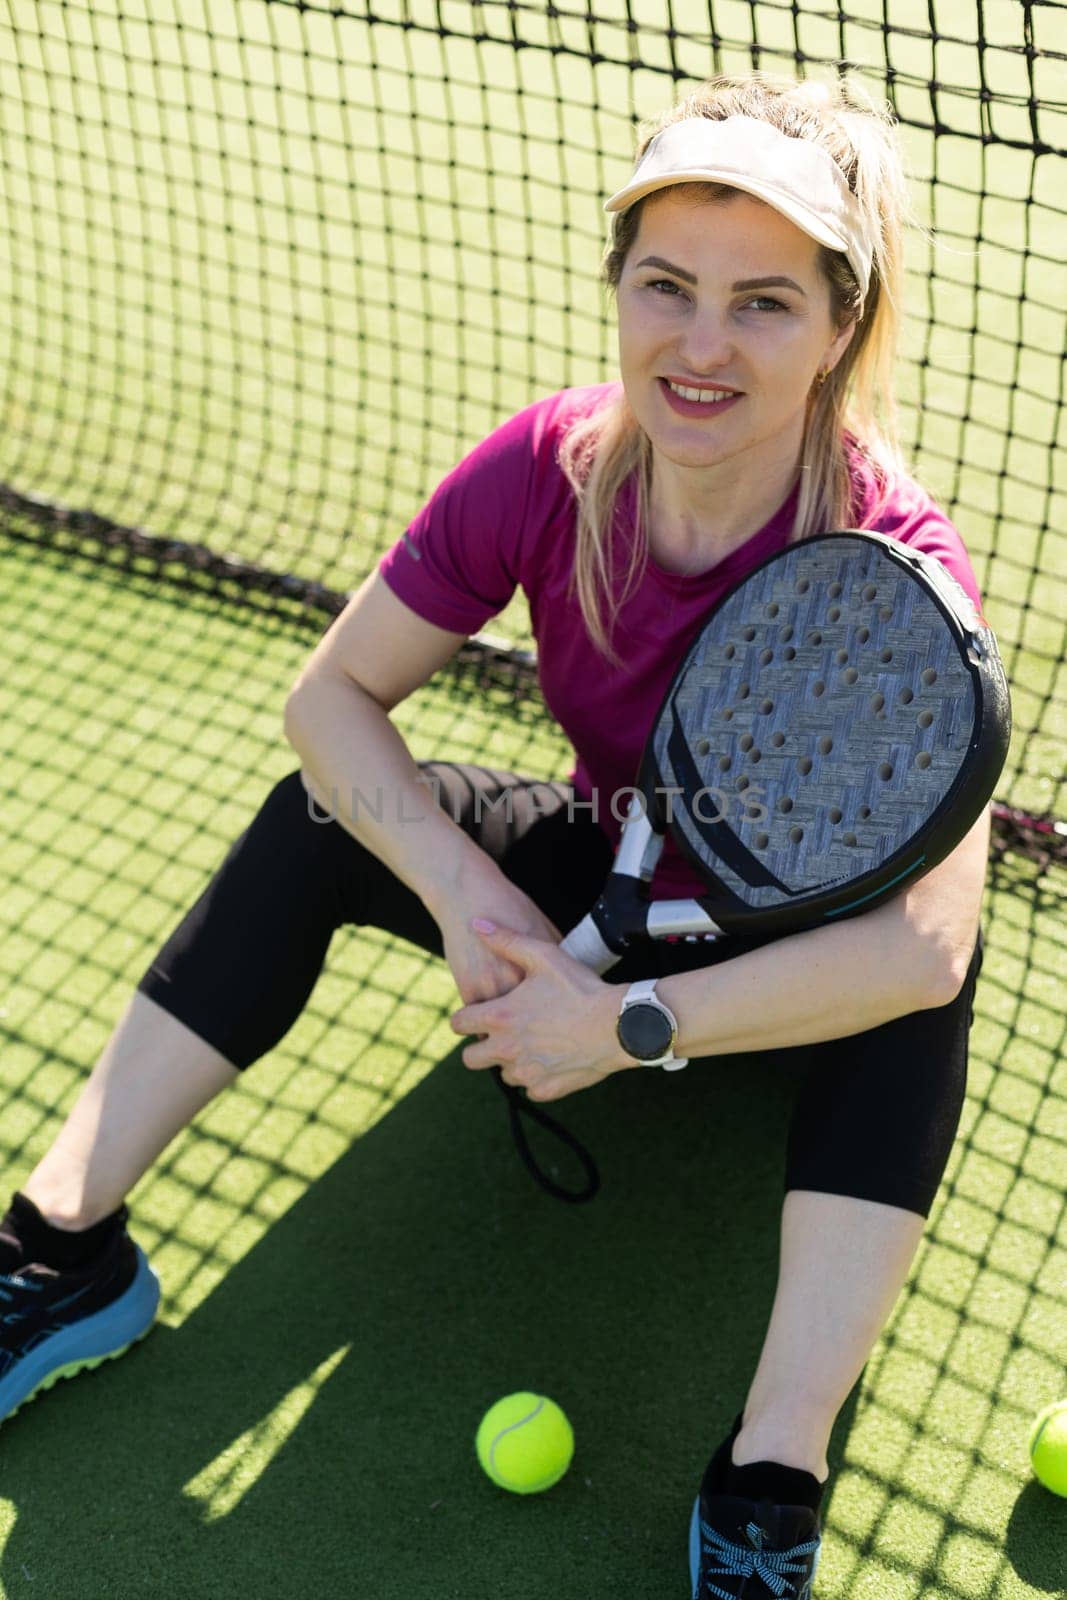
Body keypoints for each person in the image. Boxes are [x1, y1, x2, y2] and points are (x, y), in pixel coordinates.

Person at [0, 72, 990, 1598]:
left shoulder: (891, 567)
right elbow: (333, 703)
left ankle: (774, 1460)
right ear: (619, 291)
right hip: (621, 874)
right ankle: (62, 1247)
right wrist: (467, 899)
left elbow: (924, 943)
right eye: (666, 287)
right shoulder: (552, 466)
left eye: (765, 304)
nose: (702, 343)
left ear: (843, 327)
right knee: (328, 811)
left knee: (923, 1002)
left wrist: (628, 1026)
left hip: (785, 989)